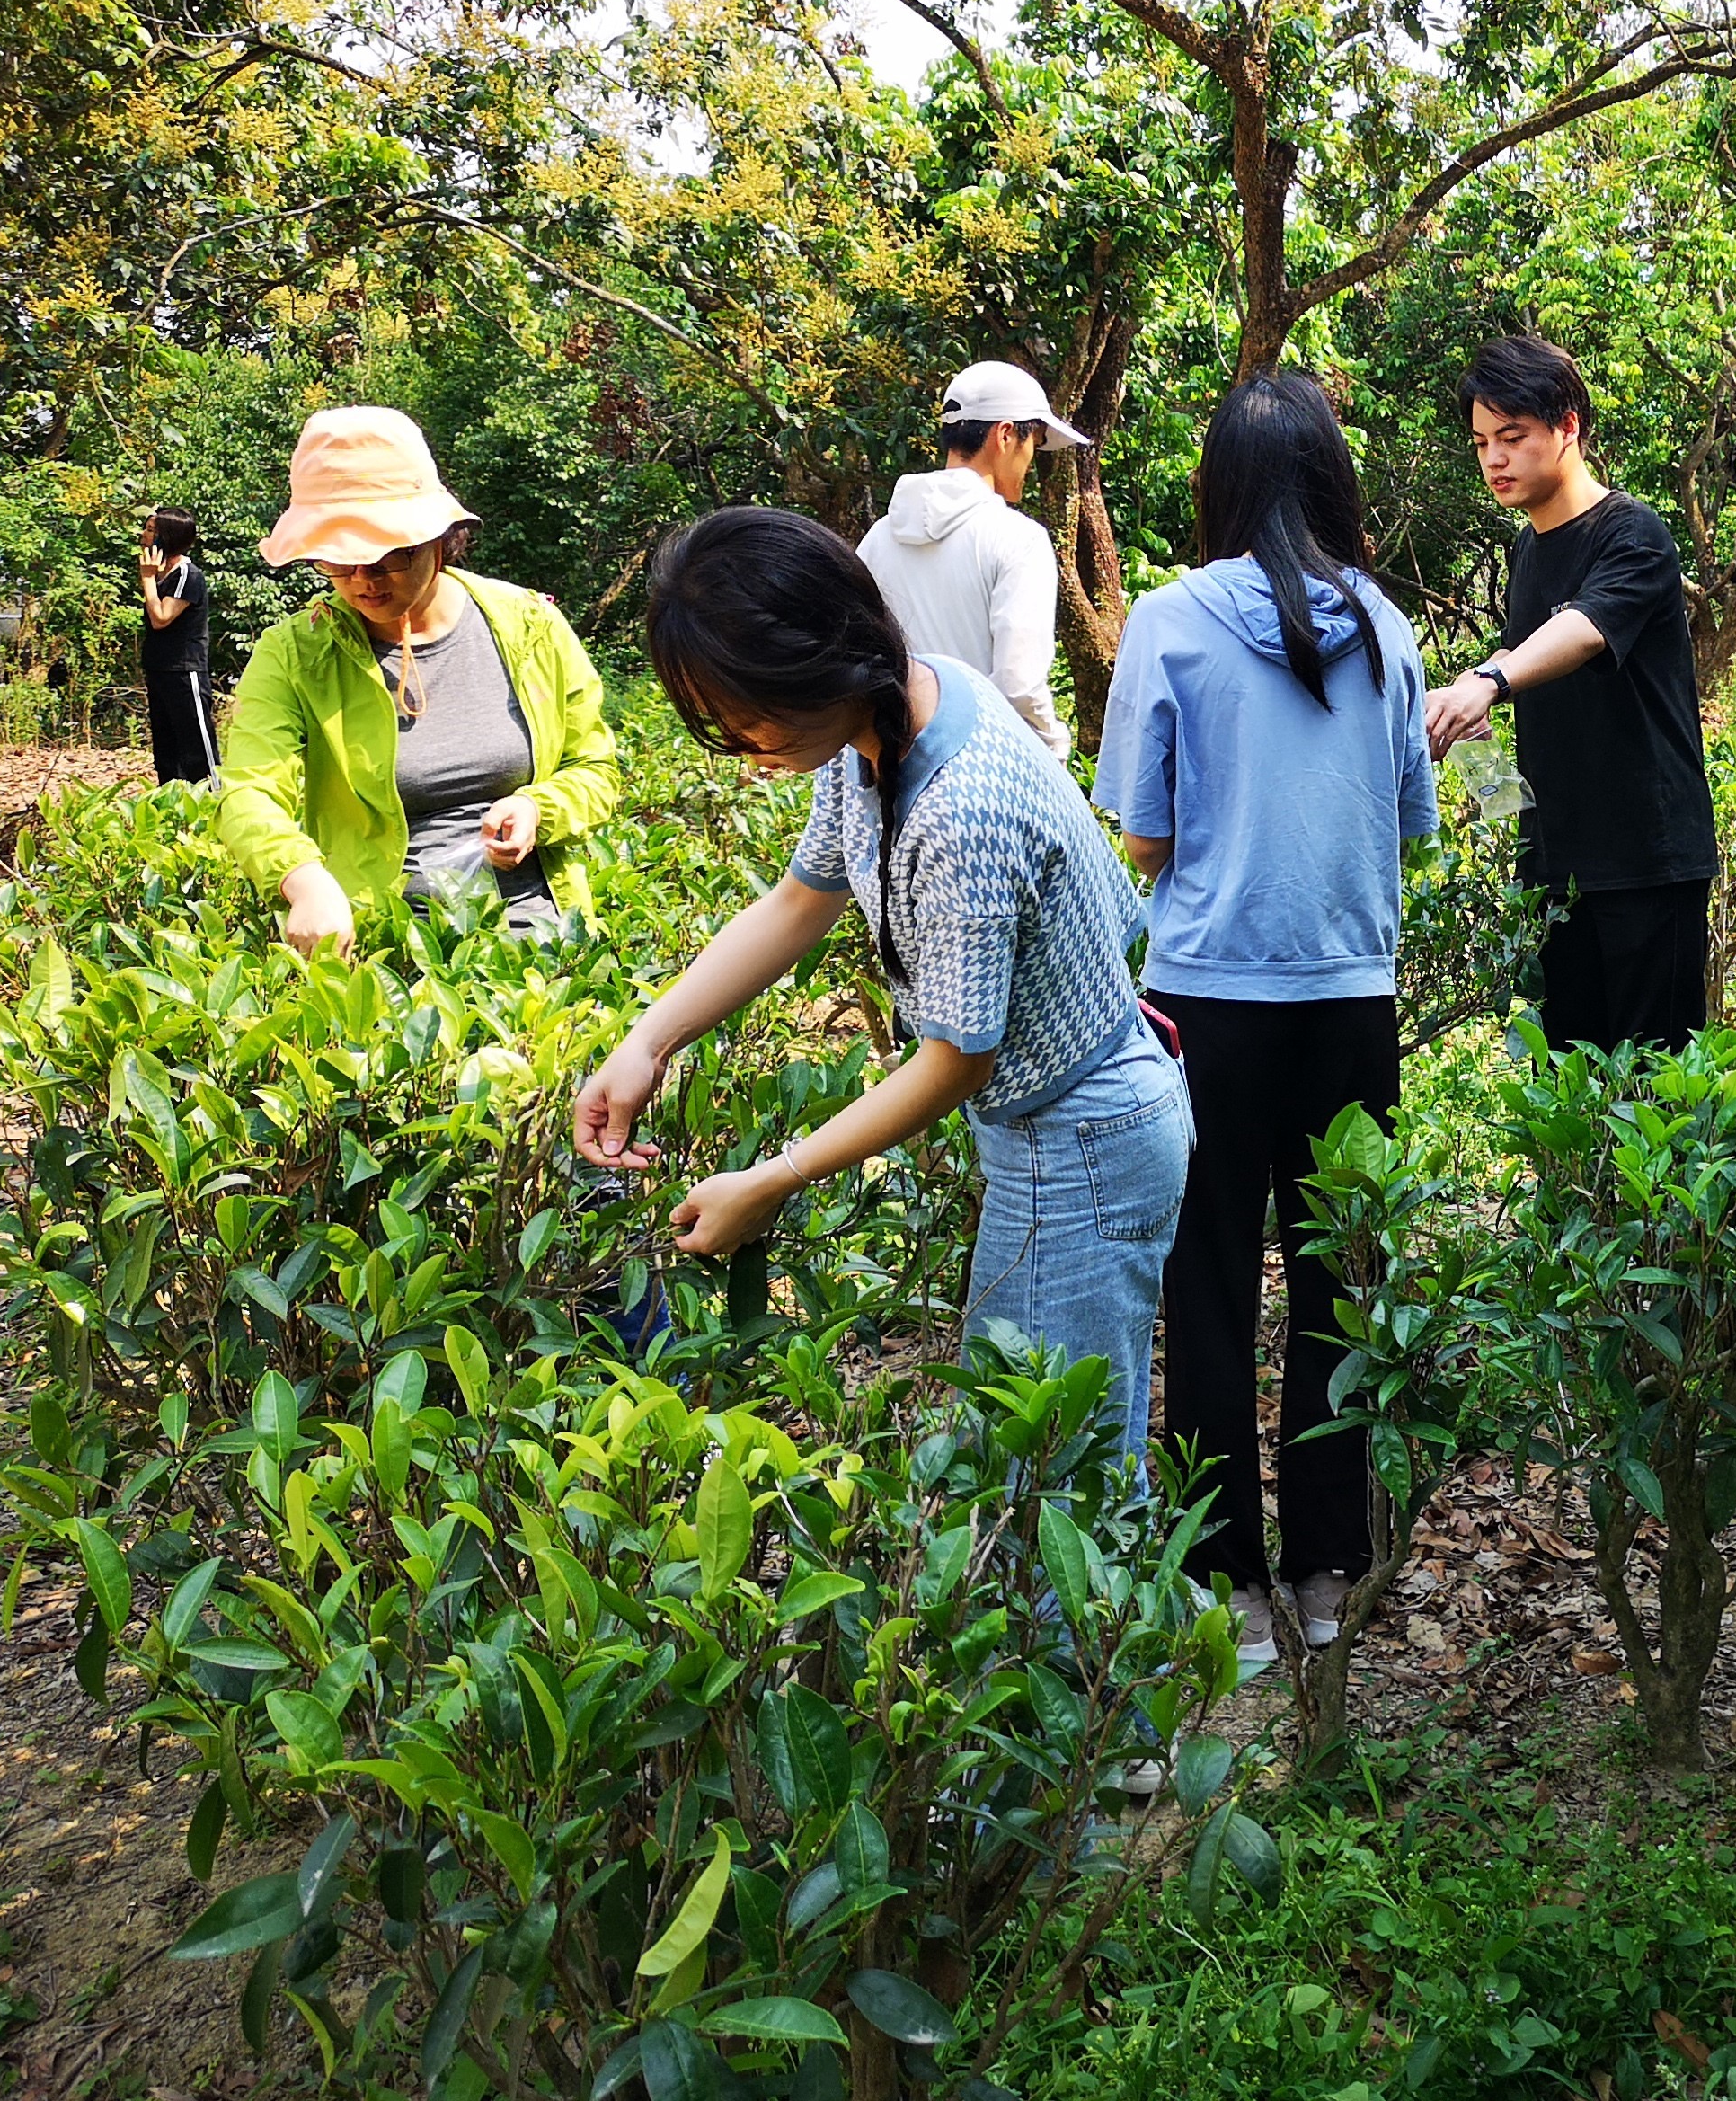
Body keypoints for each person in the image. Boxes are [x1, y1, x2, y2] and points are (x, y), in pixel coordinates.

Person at [574, 508, 1191, 1465]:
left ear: (826, 663)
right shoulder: (886, 717)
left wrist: (772, 1183)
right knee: (1040, 1463)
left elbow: (956, 1060)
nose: (745, 748)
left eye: (751, 718)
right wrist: (647, 1042)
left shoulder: (959, 808)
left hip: (1084, 1143)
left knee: (1056, 1480)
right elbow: (799, 901)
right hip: (1053, 1125)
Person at [1094, 372, 1437, 1663]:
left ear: (1221, 489)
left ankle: (1224, 1579)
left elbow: (1143, 833)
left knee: (1209, 1282)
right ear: (1335, 482)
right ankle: (1330, 1569)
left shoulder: (1170, 621)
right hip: (1352, 999)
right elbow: (1409, 820)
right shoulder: (1388, 628)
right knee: (1339, 1280)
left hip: (1205, 1003)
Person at [219, 407, 620, 953]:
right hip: (382, 941)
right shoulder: (295, 654)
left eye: (387, 557)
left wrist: (537, 808)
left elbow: (594, 768)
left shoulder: (529, 626)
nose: (362, 580)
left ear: (438, 539)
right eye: (337, 560)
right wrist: (303, 878)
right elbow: (250, 793)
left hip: (535, 933)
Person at [1420, 335, 1717, 1053]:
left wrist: (1490, 680)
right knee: (1565, 1090)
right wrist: (1477, 723)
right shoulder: (1527, 548)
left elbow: (1584, 630)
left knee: (1656, 1090)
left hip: (1648, 866)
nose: (1494, 459)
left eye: (1512, 437)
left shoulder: (1632, 533)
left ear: (1568, 427)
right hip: (1556, 875)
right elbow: (1531, 663)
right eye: (1481, 443)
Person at [858, 359, 1076, 756]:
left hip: (892, 761)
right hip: (983, 764)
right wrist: (1054, 746)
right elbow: (1018, 686)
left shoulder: (877, 539)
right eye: (1035, 441)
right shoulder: (1019, 539)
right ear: (1006, 435)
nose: (1032, 460)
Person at [137, 507, 216, 785]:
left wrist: (147, 579)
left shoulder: (186, 575)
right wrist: (152, 577)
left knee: (197, 750)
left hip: (184, 671)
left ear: (166, 538)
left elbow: (161, 618)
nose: (143, 535)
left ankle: (212, 800)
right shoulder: (163, 575)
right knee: (167, 753)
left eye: (150, 530)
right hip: (160, 669)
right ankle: (172, 802)